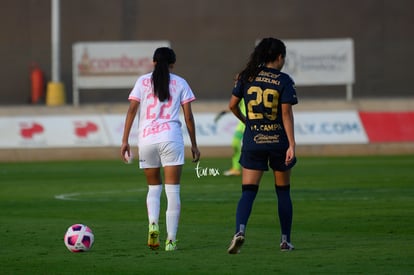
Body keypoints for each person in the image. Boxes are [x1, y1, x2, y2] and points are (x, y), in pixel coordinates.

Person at [121, 47, 200, 252]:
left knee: (154, 188)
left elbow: (131, 111)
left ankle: (153, 224)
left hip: (147, 140)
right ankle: (171, 240)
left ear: (153, 62)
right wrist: (194, 144)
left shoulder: (142, 81)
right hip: (171, 139)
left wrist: (125, 141)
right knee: (173, 191)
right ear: (172, 64)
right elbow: (189, 117)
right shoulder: (181, 83)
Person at [226, 37, 298, 254]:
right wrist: (292, 145)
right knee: (283, 192)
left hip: (253, 141)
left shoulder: (247, 76)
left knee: (248, 192)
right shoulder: (284, 79)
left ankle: (239, 231)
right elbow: (286, 113)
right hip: (278, 142)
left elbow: (231, 106)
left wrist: (247, 122)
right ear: (279, 57)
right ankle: (285, 241)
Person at [215, 99, 245, 176]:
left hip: (253, 121)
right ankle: (236, 168)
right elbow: (234, 104)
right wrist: (224, 112)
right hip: (242, 123)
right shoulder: (242, 89)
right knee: (235, 144)